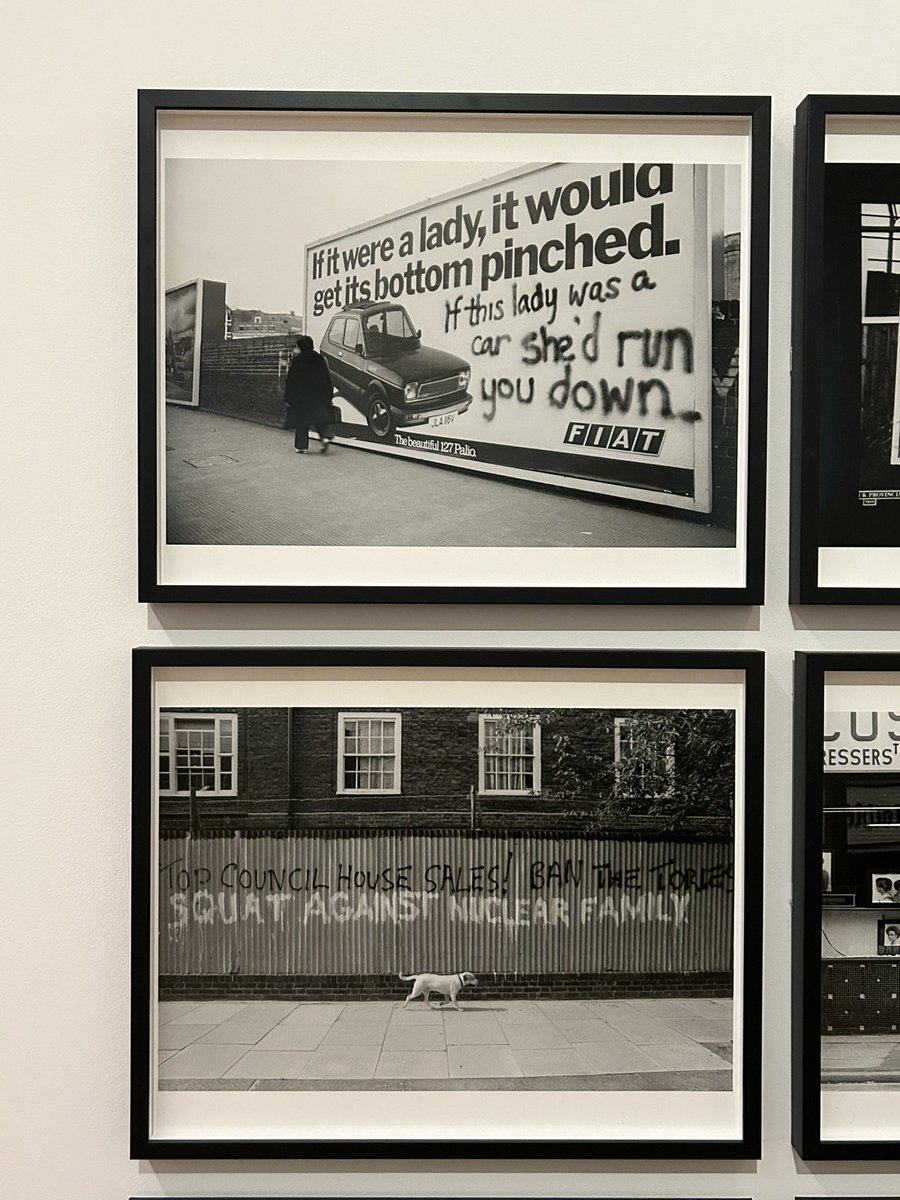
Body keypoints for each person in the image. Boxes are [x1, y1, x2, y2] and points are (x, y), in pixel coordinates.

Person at [283, 335, 335, 454]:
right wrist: (329, 395)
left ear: (301, 347)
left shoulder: (298, 360)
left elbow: (292, 380)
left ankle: (302, 447)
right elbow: (326, 378)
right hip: (318, 395)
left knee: (302, 421)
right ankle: (325, 437)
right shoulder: (319, 359)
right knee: (318, 417)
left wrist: (288, 397)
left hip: (302, 397)